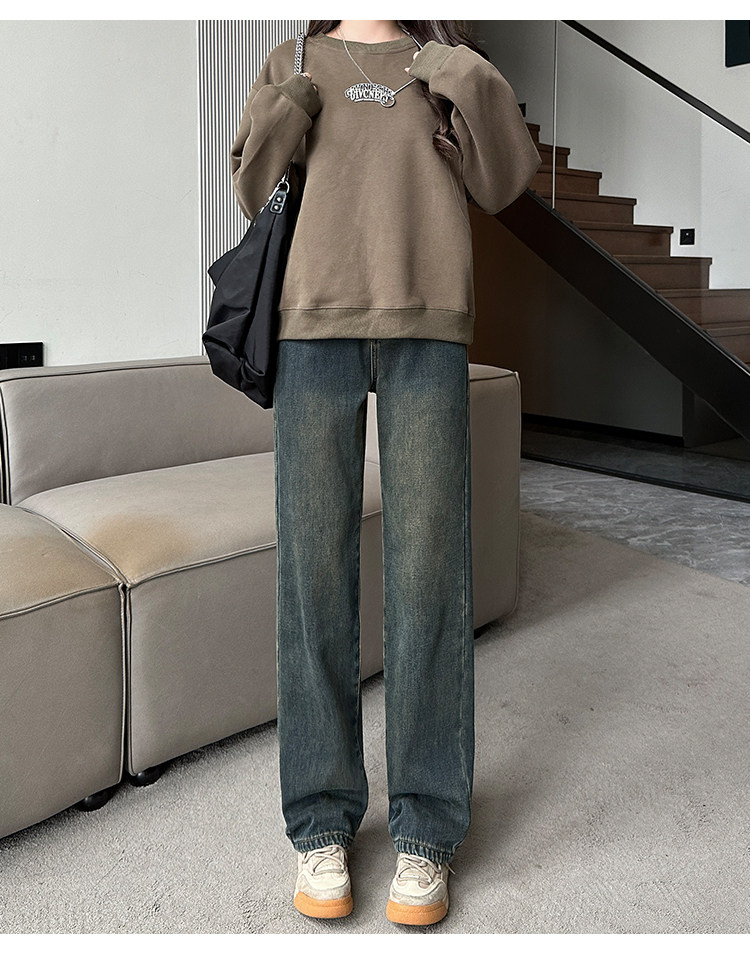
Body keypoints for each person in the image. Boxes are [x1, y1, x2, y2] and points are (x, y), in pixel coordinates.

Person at [230, 18, 541, 927]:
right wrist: (293, 103)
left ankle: (427, 830)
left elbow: (504, 181)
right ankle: (320, 822)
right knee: (313, 577)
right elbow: (250, 186)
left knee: (429, 577)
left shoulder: (445, 66)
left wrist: (453, 68)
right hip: (310, 334)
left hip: (429, 331)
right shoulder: (294, 61)